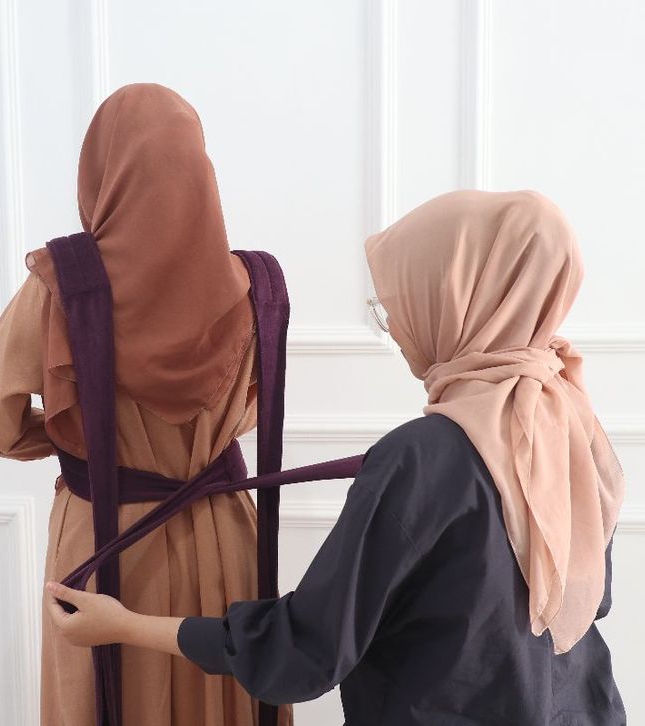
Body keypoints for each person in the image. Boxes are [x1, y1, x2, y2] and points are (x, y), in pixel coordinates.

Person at [47, 190, 627, 725]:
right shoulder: (571, 426)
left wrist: (124, 626)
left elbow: (306, 649)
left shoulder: (422, 458)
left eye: (400, 303)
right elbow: (589, 604)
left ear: (458, 302)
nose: (395, 327)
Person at [0, 83, 292, 726]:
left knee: (110, 697)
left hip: (109, 538)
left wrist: (74, 428)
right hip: (226, 534)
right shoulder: (254, 285)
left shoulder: (61, 285)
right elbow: (249, 412)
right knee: (223, 685)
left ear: (100, 172)